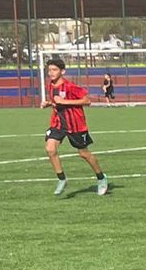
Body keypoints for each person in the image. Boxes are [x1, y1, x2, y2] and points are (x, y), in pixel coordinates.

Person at [41, 55, 108, 197]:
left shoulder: (70, 86)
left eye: (54, 70)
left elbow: (87, 101)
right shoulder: (51, 85)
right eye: (49, 70)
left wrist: (64, 102)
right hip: (58, 123)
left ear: (62, 71)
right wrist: (49, 103)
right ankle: (62, 179)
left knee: (84, 153)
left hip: (75, 124)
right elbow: (57, 102)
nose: (51, 73)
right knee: (50, 149)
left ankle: (101, 178)